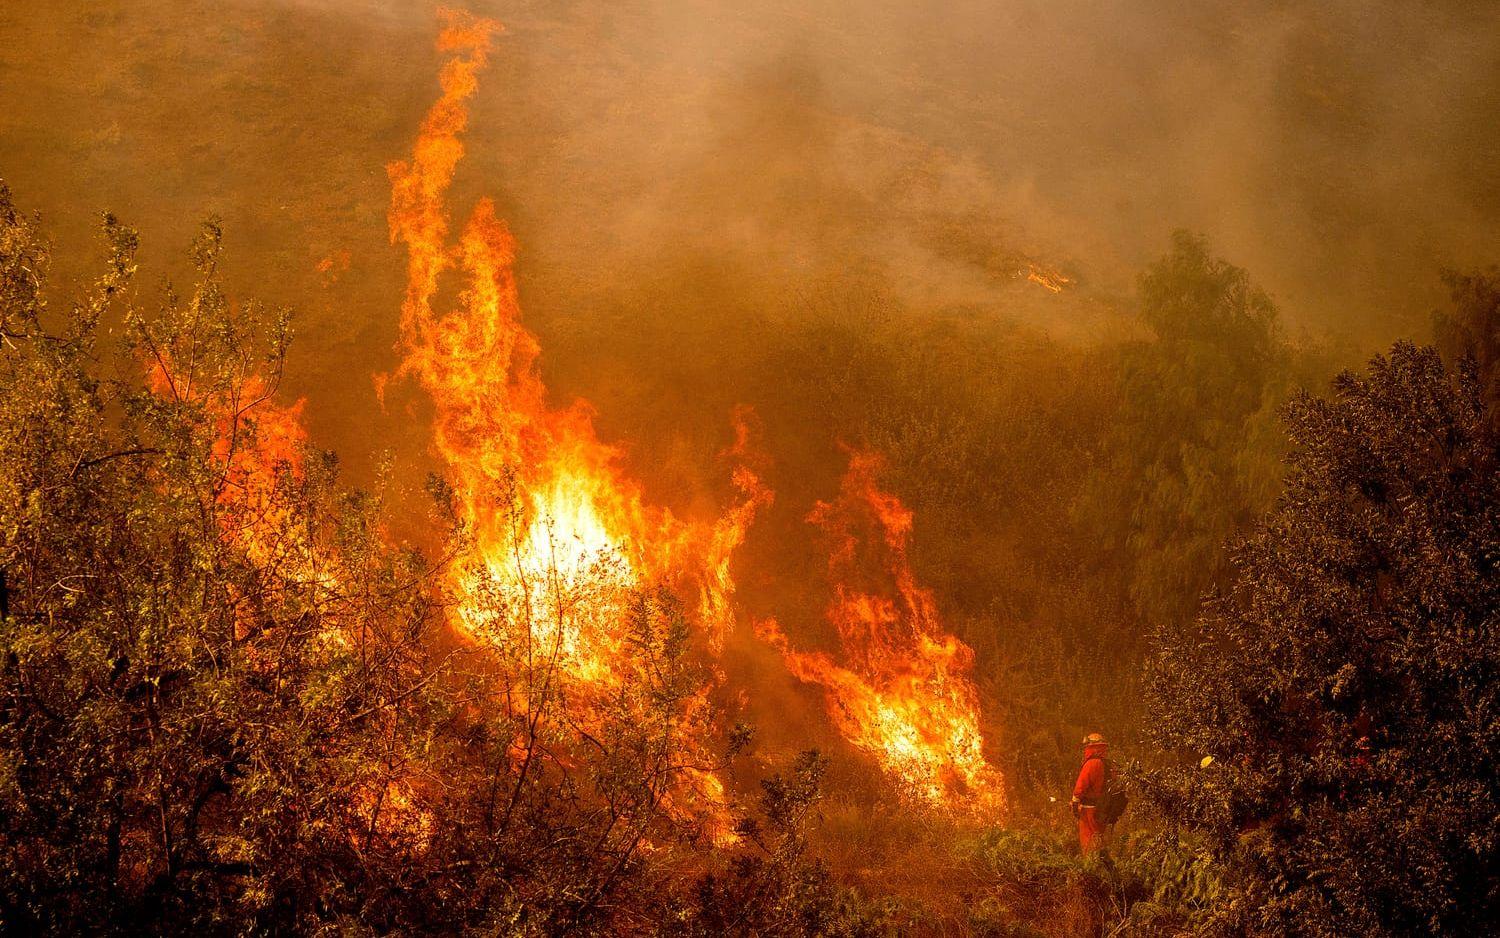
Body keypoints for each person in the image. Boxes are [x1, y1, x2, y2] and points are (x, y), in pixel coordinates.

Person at [1071, 731, 1113, 854]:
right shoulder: (1108, 764)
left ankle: (1090, 866)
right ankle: (1101, 864)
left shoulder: (1091, 763)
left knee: (1088, 839)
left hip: (1089, 810)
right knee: (1098, 838)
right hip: (1103, 808)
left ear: (1091, 747)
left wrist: (1075, 802)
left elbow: (1081, 786)